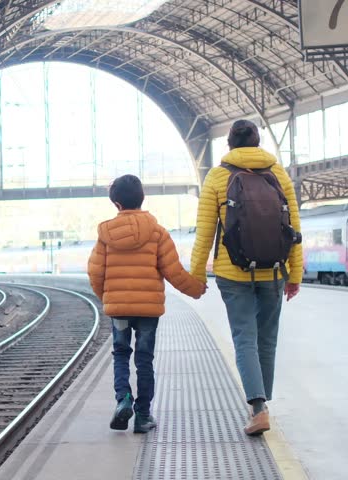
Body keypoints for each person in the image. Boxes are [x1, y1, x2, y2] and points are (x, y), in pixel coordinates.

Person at [189, 119, 303, 436]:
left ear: (229, 144)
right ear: (257, 141)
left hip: (233, 272)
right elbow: (294, 230)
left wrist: (196, 276)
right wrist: (295, 275)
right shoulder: (277, 173)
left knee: (244, 339)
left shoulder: (216, 177)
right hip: (275, 271)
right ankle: (262, 402)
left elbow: (204, 235)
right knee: (267, 339)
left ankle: (258, 408)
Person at [88, 174, 206, 433]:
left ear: (116, 204)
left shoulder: (105, 234)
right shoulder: (157, 232)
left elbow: (95, 273)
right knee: (144, 360)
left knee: (120, 354)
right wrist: (196, 289)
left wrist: (108, 298)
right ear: (142, 199)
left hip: (119, 308)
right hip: (148, 311)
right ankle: (142, 416)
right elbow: (174, 271)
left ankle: (123, 399)